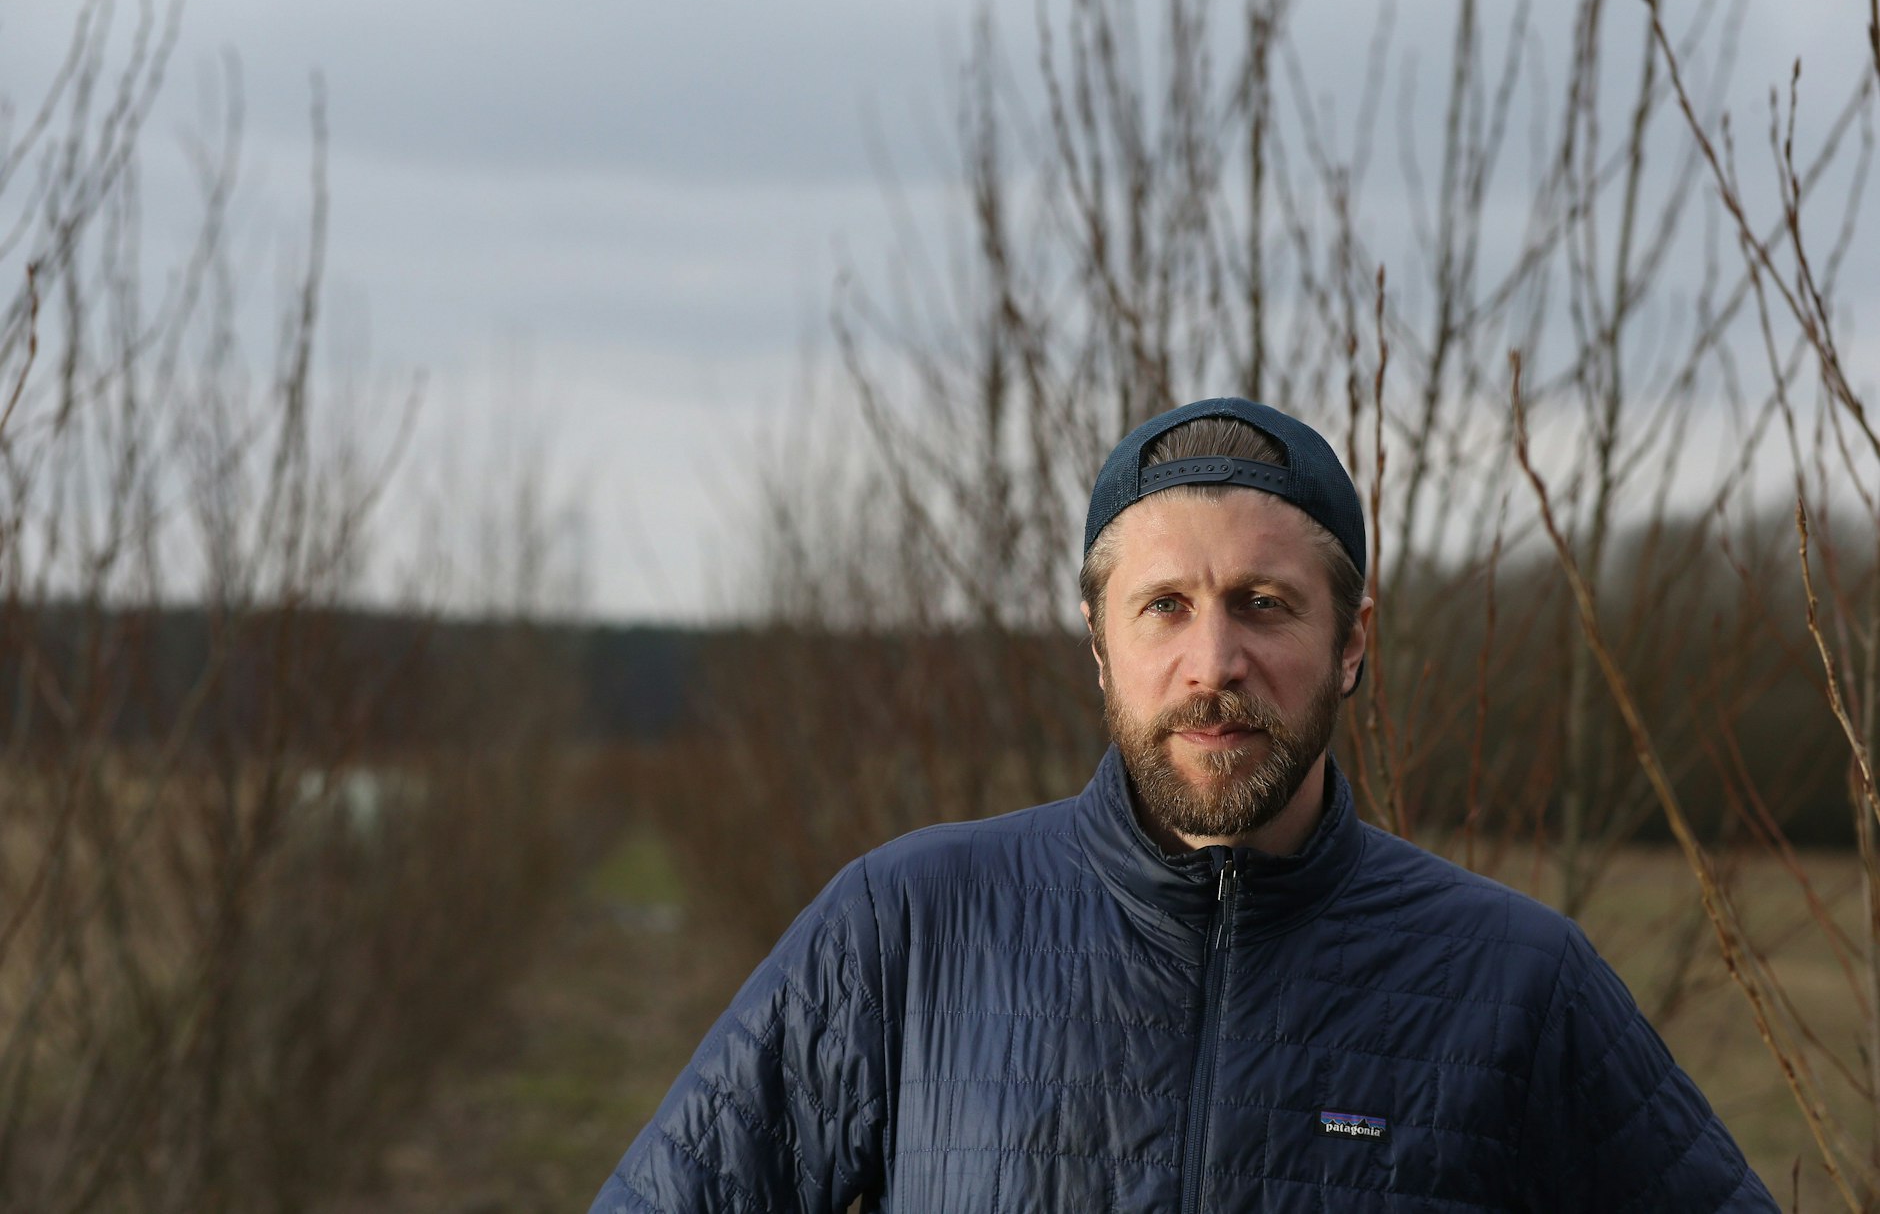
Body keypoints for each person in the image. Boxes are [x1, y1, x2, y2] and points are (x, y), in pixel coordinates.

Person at [590, 397, 1776, 1212]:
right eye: (1163, 606)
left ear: (1350, 640)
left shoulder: (1515, 980)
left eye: (1262, 603)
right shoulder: (908, 926)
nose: (1212, 661)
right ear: (1098, 645)